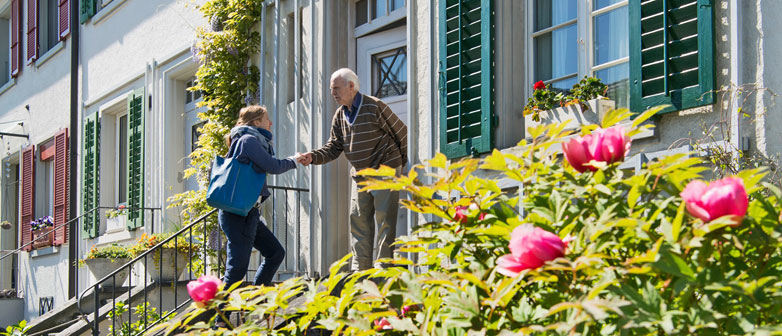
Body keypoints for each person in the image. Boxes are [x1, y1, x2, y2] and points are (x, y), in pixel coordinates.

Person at [297, 68, 408, 271]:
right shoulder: (340, 115)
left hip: (385, 169)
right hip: (360, 174)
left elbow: (401, 131)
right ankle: (361, 269)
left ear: (351, 86)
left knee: (385, 220)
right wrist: (313, 157)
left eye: (336, 88)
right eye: (331, 89)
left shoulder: (374, 106)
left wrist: (401, 163)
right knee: (358, 222)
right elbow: (334, 147)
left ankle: (383, 268)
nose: (333, 93)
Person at [219, 105, 299, 286]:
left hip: (248, 213)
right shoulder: (248, 140)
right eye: (266, 119)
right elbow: (273, 166)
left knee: (275, 253)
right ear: (256, 122)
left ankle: (258, 298)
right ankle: (220, 306)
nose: (270, 123)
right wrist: (294, 161)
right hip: (239, 215)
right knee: (236, 270)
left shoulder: (246, 140)